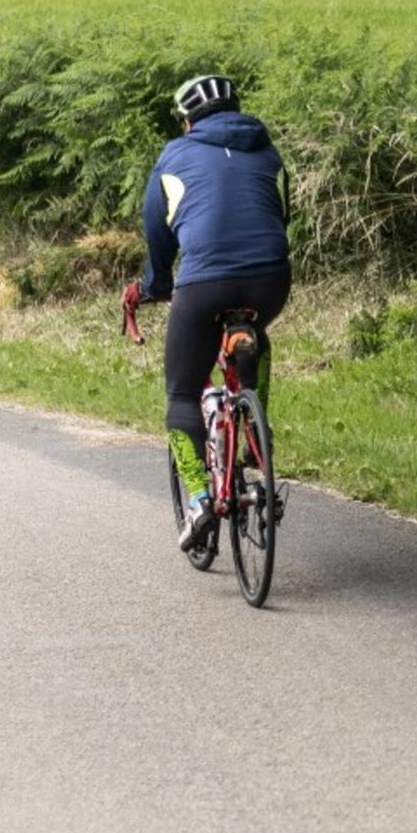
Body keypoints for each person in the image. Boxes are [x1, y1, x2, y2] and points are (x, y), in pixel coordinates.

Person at [122, 74, 291, 551]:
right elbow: (280, 215)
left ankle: (198, 499)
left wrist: (154, 287)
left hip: (204, 283)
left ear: (187, 120)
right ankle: (256, 432)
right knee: (254, 334)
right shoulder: (268, 152)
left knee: (181, 392)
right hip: (270, 279)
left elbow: (158, 234)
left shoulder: (174, 158)